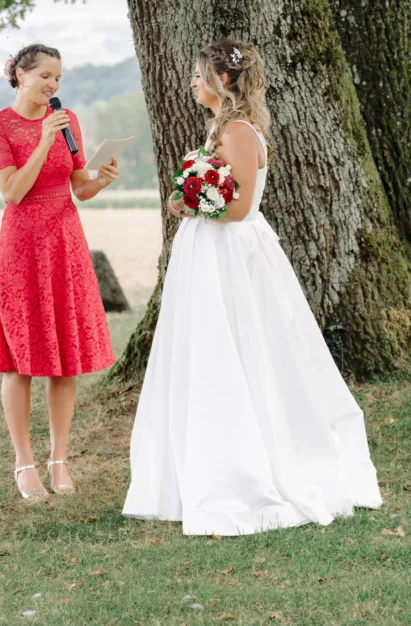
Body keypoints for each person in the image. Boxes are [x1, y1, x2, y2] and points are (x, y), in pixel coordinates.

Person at [123, 39, 382, 535]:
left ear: (222, 80)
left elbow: (238, 209)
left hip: (230, 255)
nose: (192, 83)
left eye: (199, 75)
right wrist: (186, 202)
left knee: (239, 352)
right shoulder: (219, 127)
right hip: (207, 252)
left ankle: (246, 470)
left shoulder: (239, 131)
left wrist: (192, 204)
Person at [0, 44, 119, 500]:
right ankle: (24, 463)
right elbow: (14, 191)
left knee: (67, 358)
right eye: (44, 76)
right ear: (19, 75)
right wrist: (42, 140)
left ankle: (60, 459)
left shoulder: (69, 120)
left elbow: (78, 188)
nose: (53, 86)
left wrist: (99, 179)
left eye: (58, 78)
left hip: (65, 244)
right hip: (22, 247)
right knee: (20, 359)